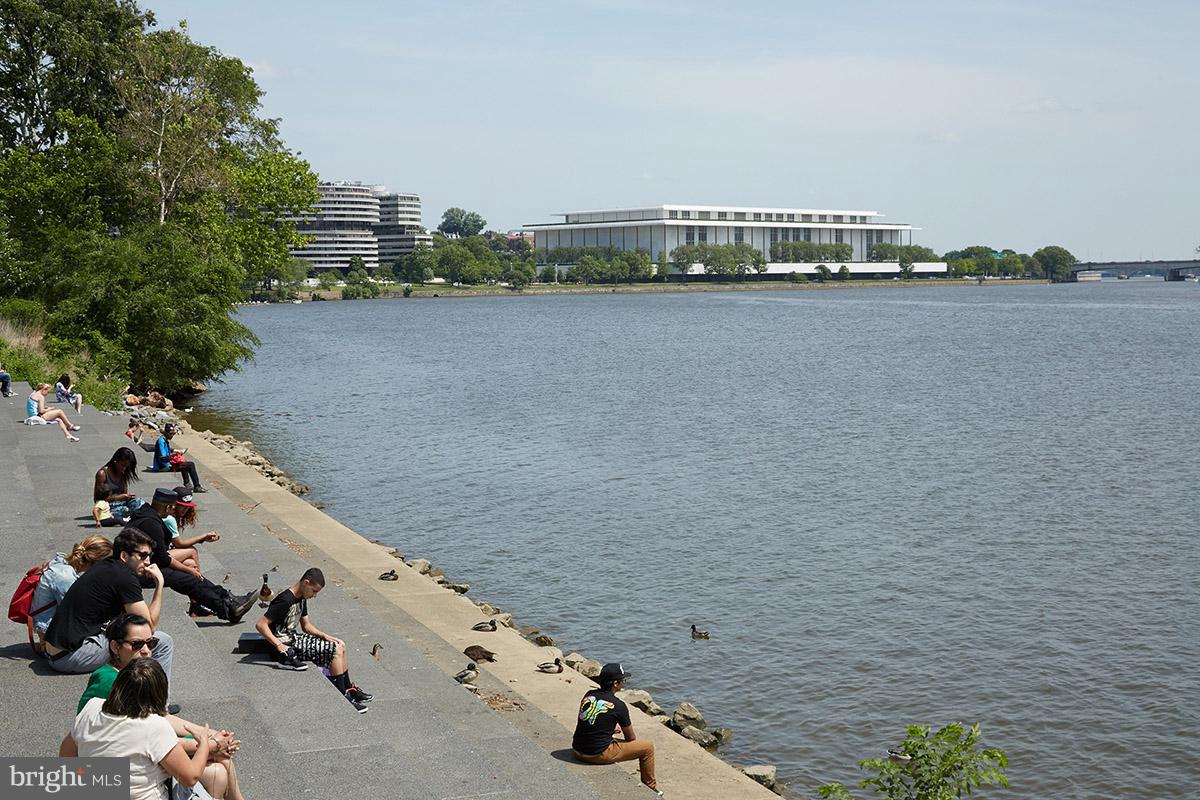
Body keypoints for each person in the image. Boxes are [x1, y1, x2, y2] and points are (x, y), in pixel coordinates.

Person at [77, 614, 245, 800]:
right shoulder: (112, 682)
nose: (146, 651)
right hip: (121, 773)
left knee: (219, 763)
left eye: (151, 643)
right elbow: (150, 740)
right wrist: (209, 743)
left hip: (116, 769)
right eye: (137, 644)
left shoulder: (106, 697)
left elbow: (158, 720)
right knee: (218, 768)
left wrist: (210, 735)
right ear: (115, 646)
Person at [61, 658, 212, 800]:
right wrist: (204, 743)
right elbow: (190, 777)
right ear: (159, 693)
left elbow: (66, 756)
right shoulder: (154, 725)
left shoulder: (92, 707)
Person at [42, 528, 173, 682]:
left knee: (130, 638)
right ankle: (159, 701)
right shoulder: (125, 578)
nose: (148, 561)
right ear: (124, 556)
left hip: (55, 650)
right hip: (70, 656)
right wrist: (159, 584)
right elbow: (149, 627)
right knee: (159, 642)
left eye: (149, 556)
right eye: (142, 555)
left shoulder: (107, 566)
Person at [128, 487, 256, 622]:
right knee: (189, 578)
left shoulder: (145, 513)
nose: (173, 511)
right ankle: (228, 608)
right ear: (167, 508)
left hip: (143, 565)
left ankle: (228, 599)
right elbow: (163, 559)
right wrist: (187, 570)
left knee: (191, 569)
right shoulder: (152, 524)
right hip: (140, 571)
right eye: (172, 508)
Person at [256, 567, 374, 713]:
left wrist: (325, 636)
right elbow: (261, 624)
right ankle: (343, 696)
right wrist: (279, 645)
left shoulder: (301, 597)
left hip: (294, 638)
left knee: (340, 644)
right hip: (284, 646)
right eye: (314, 591)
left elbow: (306, 626)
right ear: (306, 583)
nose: (314, 595)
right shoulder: (285, 600)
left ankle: (349, 688)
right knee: (334, 651)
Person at [572, 662, 661, 796]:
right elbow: (631, 738)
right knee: (647, 748)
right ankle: (650, 789)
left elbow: (592, 720)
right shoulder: (619, 706)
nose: (623, 682)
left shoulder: (589, 694)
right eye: (622, 680)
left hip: (577, 750)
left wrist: (609, 729)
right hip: (595, 754)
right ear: (615, 683)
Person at [29, 535, 113, 646]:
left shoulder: (64, 562)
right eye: (108, 563)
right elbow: (77, 611)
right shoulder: (65, 577)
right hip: (49, 635)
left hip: (50, 623)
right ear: (95, 562)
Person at [163, 486, 220, 571]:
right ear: (174, 504)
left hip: (161, 553)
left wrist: (204, 538)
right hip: (156, 557)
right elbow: (179, 544)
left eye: (187, 506)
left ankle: (198, 581)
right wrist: (203, 536)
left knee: (190, 564)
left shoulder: (172, 517)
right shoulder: (169, 519)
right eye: (182, 506)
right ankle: (201, 582)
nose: (185, 509)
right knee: (192, 551)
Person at [152, 422, 206, 492]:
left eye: (173, 434)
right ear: (166, 432)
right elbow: (162, 458)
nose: (172, 435)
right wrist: (174, 458)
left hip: (166, 464)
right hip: (162, 467)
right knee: (190, 464)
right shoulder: (161, 441)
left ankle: (187, 484)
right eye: (170, 434)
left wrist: (176, 454)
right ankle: (197, 486)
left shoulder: (164, 439)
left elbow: (166, 452)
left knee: (184, 463)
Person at [94, 446, 145, 519]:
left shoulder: (123, 472)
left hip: (121, 503)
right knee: (125, 510)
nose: (124, 468)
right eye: (122, 465)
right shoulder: (102, 474)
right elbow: (97, 500)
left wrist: (128, 497)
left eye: (126, 466)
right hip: (107, 507)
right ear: (116, 461)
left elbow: (124, 493)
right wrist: (117, 498)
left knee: (140, 502)